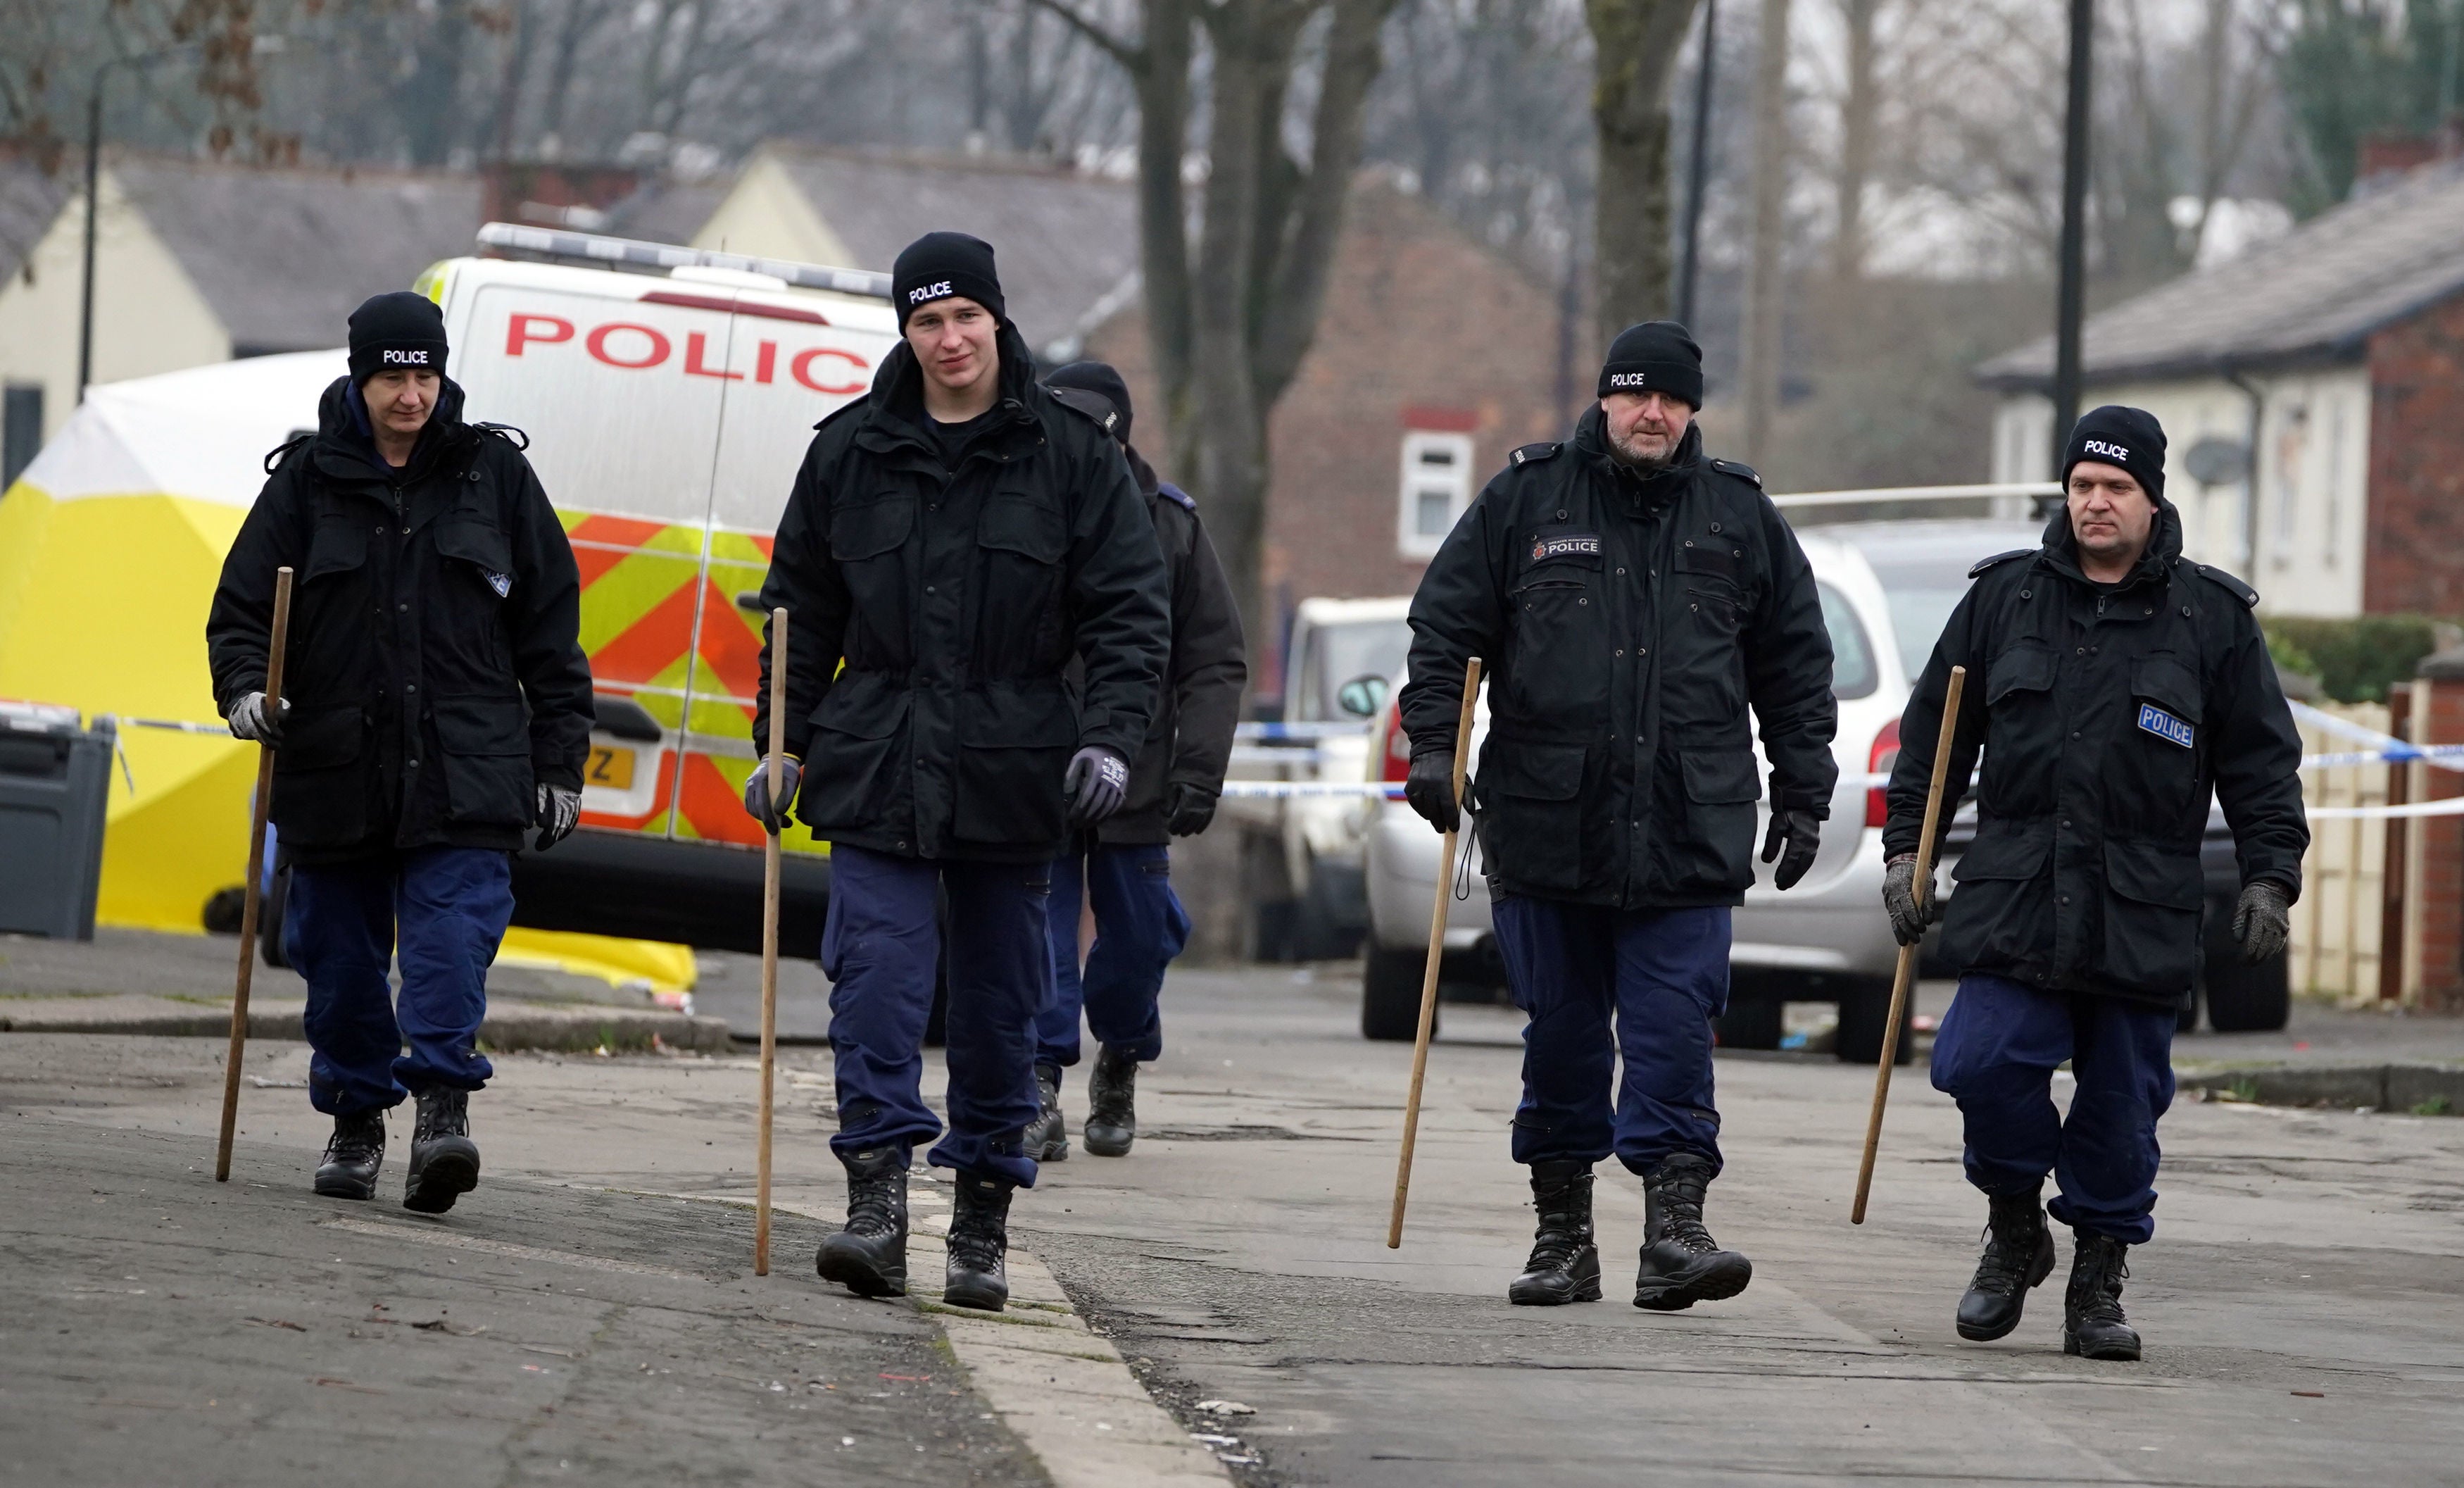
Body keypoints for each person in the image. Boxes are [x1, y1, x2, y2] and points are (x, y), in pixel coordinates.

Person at [746, 232, 1170, 1313]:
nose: (948, 340)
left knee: (997, 1007)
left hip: (1014, 772)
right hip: (877, 761)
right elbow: (798, 610)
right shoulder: (849, 451)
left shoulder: (1069, 455)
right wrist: (779, 743)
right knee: (876, 987)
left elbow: (1131, 613)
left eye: (964, 319)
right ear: (906, 334)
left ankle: (981, 1214)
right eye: (926, 322)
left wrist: (1110, 740)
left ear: (997, 321)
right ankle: (875, 1210)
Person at [1400, 321, 1838, 1311]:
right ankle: (1564, 1238)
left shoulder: (1740, 516)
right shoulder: (1526, 498)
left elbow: (1797, 669)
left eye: (1671, 399)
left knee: (1674, 1030)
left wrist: (1805, 792)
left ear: (1692, 409)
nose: (1653, 414)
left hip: (1689, 831)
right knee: (1562, 1039)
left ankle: (1675, 1233)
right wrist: (1435, 745)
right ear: (1605, 399)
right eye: (1635, 395)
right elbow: (1444, 630)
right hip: (1547, 827)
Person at [1883, 406, 2306, 1361]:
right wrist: (1906, 853)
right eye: (2082, 486)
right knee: (1976, 1064)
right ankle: (2015, 1226)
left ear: (2153, 500)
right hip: (2017, 893)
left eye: (2116, 488)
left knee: (2122, 1108)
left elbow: (2261, 765)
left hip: (2143, 903)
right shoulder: (2002, 601)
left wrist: (2270, 877)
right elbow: (1933, 744)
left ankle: (2099, 1277)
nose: (2096, 502)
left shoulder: (2212, 619)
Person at [206, 290, 591, 1213]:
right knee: (335, 965)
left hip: (466, 770)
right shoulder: (306, 479)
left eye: (424, 374)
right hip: (334, 770)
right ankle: (355, 1120)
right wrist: (245, 692)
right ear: (360, 378)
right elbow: (243, 608)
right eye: (392, 376)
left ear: (443, 374)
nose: (410, 394)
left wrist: (558, 764)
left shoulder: (492, 476)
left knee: (450, 948)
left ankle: (441, 1115)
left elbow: (551, 630)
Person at [1023, 361, 1245, 1162]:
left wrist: (1197, 770)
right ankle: (1038, 1080)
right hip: (1035, 767)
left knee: (1135, 942)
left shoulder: (1171, 526)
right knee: (1035, 934)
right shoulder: (1021, 509)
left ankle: (1120, 1052)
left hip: (1139, 778)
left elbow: (1214, 660)